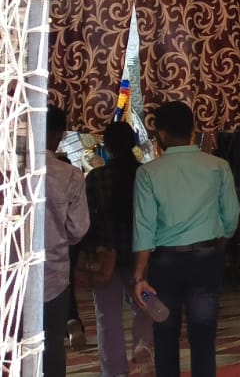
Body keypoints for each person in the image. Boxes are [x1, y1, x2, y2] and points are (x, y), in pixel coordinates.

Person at [132, 102, 239, 377]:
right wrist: (219, 244)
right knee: (203, 336)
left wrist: (139, 275)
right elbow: (231, 217)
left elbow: (145, 228)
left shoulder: (148, 173)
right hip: (206, 258)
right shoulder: (218, 167)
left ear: (162, 135)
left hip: (164, 263)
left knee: (165, 334)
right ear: (192, 131)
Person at [86, 121, 154, 376]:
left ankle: (114, 371)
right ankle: (143, 347)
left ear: (107, 147)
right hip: (141, 255)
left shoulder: (96, 178)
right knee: (146, 306)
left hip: (107, 255)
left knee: (107, 317)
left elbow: (88, 220)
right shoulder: (146, 174)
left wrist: (91, 252)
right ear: (134, 144)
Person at [43, 105, 89, 377]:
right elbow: (78, 229)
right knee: (52, 345)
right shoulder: (70, 175)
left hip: (11, 276)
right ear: (60, 134)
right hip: (53, 274)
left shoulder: (8, 171)